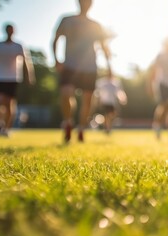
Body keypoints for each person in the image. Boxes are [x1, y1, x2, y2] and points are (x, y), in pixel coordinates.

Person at [52, 0, 113, 143]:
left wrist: (110, 66)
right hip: (70, 66)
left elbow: (104, 46)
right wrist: (56, 59)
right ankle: (68, 122)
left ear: (91, 5)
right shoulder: (66, 20)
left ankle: (81, 128)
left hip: (90, 67)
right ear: (78, 3)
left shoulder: (95, 25)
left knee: (87, 100)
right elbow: (55, 40)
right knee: (66, 94)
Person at [0, 23, 35, 137]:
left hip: (13, 78)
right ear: (5, 31)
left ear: (14, 31)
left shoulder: (18, 46)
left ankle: (6, 128)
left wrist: (29, 76)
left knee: (9, 103)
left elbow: (26, 62)